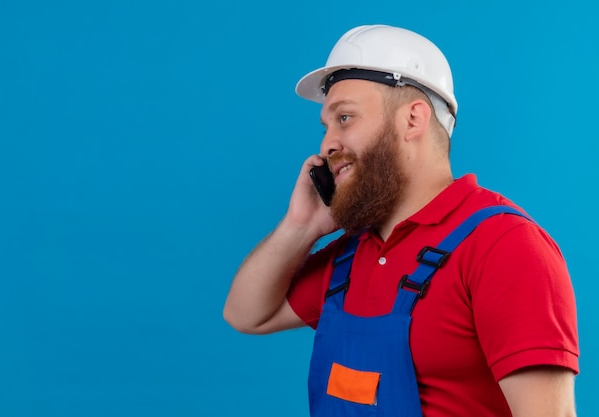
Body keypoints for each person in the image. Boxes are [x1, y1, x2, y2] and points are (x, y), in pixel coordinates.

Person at [223, 24, 579, 417]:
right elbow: (247, 315)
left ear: (413, 119)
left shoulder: (503, 245)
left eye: (345, 118)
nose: (327, 144)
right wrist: (301, 227)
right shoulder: (352, 254)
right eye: (326, 127)